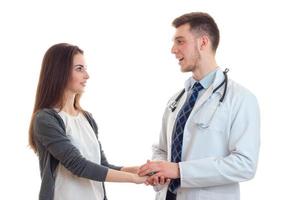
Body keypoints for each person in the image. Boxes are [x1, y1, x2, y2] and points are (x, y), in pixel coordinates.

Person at [138, 12, 260, 200]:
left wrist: (179, 170)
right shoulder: (176, 100)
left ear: (203, 43)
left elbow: (244, 165)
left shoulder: (241, 99)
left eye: (180, 41)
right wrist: (160, 169)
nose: (173, 49)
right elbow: (162, 149)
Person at [28, 43, 146, 200]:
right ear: (59, 72)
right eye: (79, 69)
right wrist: (133, 179)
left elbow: (101, 165)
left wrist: (137, 170)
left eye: (85, 68)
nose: (87, 75)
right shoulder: (45, 119)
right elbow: (78, 165)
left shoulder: (87, 118)